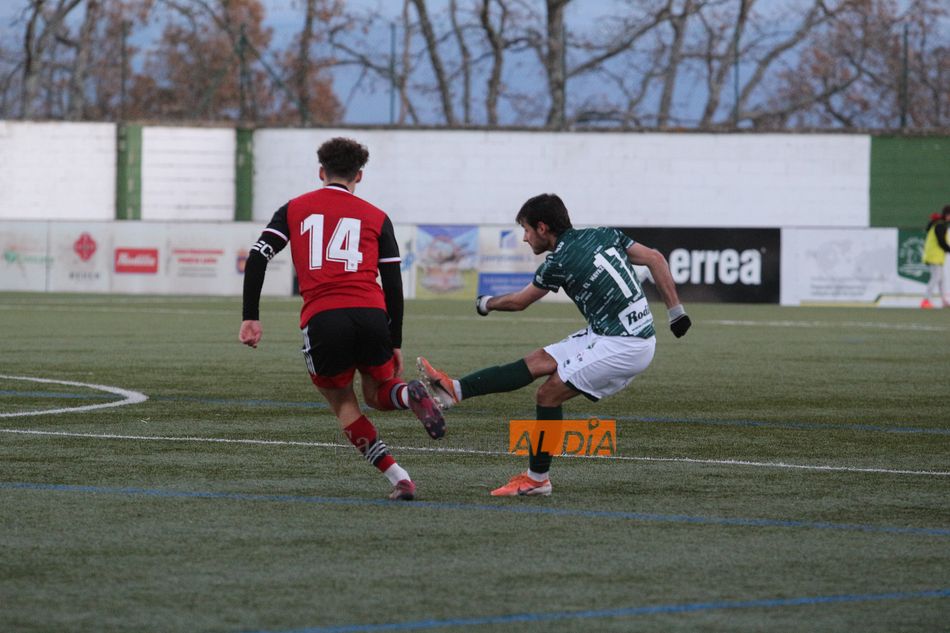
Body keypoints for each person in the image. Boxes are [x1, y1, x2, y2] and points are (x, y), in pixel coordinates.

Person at [417, 193, 691, 497]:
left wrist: (486, 303)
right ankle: (455, 390)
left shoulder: (559, 261)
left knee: (548, 394)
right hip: (613, 333)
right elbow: (655, 258)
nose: (525, 238)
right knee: (539, 361)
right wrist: (676, 313)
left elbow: (519, 302)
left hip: (624, 345)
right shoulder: (603, 233)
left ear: (543, 228)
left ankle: (538, 479)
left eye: (526, 229)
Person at [239, 137, 444, 501]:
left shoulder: (294, 209)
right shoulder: (377, 217)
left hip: (324, 318)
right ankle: (406, 395)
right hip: (371, 314)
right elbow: (393, 285)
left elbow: (257, 257)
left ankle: (399, 477)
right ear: (359, 176)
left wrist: (250, 317)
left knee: (344, 403)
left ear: (321, 172)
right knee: (379, 393)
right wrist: (395, 339)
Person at [921, 205, 950, 309]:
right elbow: (941, 241)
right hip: (934, 256)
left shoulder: (938, 224)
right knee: (936, 278)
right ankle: (926, 300)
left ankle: (944, 301)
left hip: (937, 256)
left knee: (942, 279)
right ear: (947, 215)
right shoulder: (940, 225)